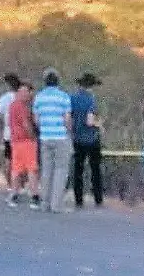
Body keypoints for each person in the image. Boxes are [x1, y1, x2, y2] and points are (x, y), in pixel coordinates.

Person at [32, 68, 73, 213]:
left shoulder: (39, 97)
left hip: (45, 136)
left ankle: (45, 203)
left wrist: (43, 128)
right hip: (60, 136)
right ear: (58, 81)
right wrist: (69, 132)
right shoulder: (63, 97)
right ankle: (56, 205)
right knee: (61, 170)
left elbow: (36, 120)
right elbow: (67, 118)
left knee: (47, 170)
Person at [70, 72, 104, 208]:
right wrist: (99, 124)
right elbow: (89, 121)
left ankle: (78, 198)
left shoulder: (72, 98)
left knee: (78, 169)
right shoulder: (91, 99)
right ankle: (98, 198)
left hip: (77, 138)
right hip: (91, 138)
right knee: (95, 169)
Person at [7, 82, 41, 209]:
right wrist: (33, 136)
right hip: (26, 141)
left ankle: (14, 194)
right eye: (26, 92)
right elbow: (26, 124)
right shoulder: (22, 106)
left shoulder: (12, 106)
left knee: (16, 169)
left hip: (15, 141)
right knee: (32, 169)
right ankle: (34, 196)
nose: (28, 95)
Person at [0, 73, 21, 191]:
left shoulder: (4, 98)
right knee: (20, 160)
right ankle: (19, 184)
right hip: (21, 133)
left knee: (8, 158)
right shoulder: (22, 97)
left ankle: (10, 184)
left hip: (8, 132)